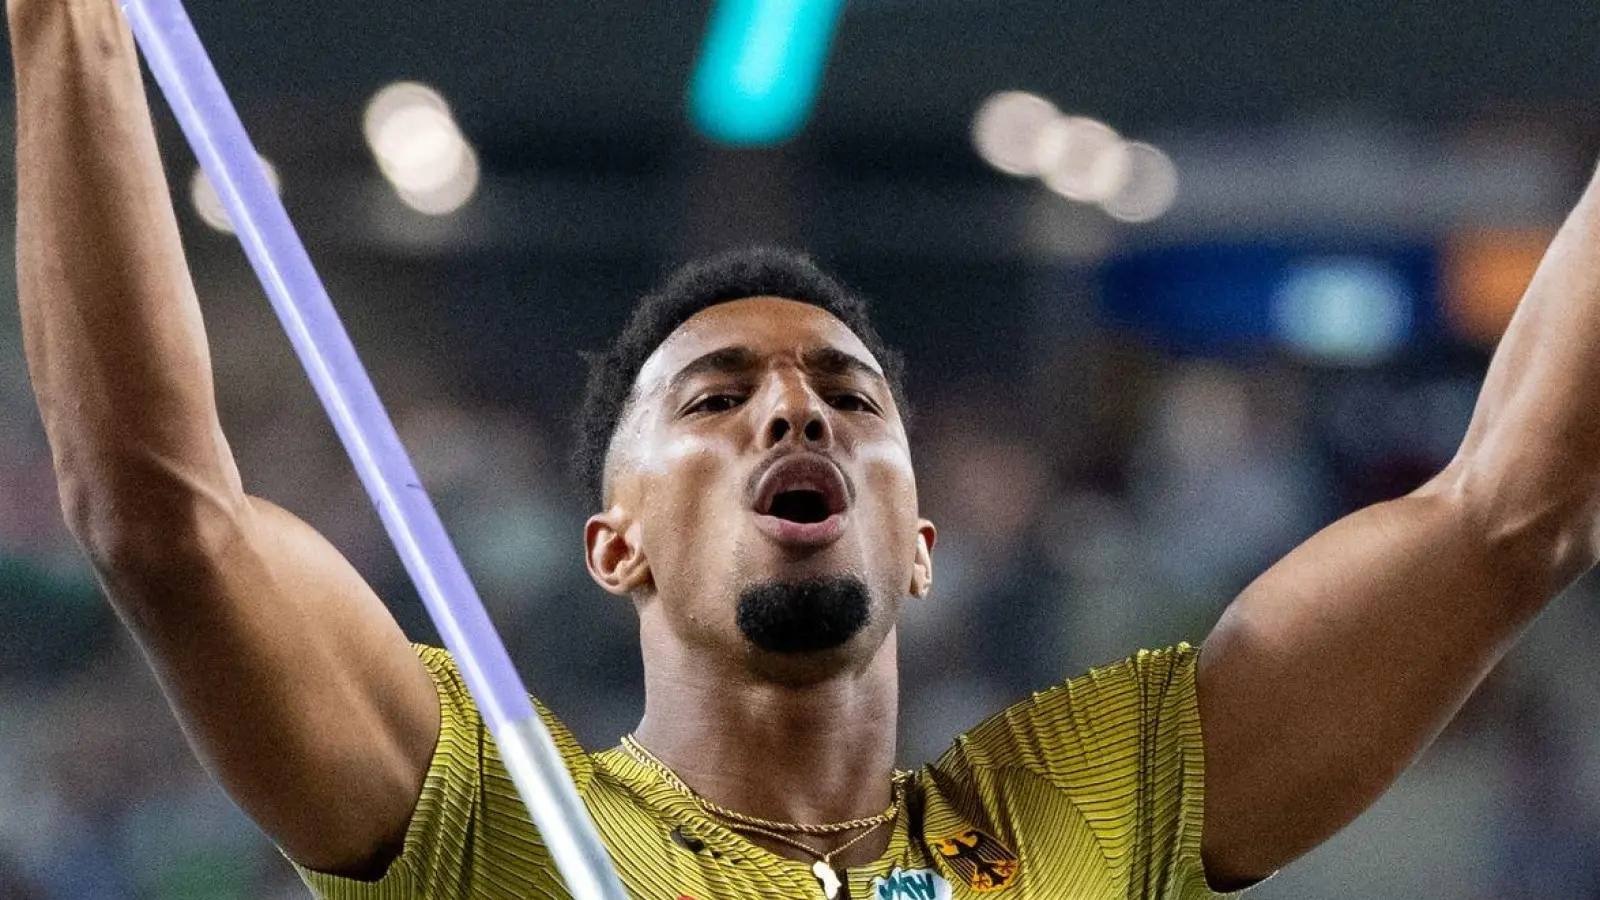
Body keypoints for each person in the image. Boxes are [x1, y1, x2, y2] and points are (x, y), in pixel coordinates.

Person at [12, 1, 1600, 898]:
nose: (795, 408)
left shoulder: (1090, 808)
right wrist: (63, 32)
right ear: (612, 542)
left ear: (919, 539)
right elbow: (165, 522)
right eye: (714, 400)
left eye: (849, 394)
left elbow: (1509, 514)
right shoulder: (478, 812)